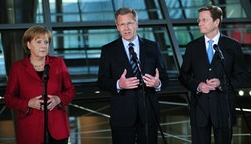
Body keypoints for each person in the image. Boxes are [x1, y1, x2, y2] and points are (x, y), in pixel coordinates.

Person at [179, 5, 250, 144]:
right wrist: (198, 85)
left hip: (224, 111)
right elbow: (183, 76)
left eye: (204, 20)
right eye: (199, 20)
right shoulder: (192, 47)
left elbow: (243, 77)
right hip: (199, 110)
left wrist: (221, 83)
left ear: (216, 22)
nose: (200, 23)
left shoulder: (233, 46)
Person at [98, 7, 168, 144]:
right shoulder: (108, 50)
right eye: (122, 24)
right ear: (117, 27)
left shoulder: (152, 47)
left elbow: (164, 78)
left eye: (129, 23)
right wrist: (119, 84)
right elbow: (101, 81)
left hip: (148, 114)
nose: (126, 28)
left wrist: (157, 83)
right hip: (122, 116)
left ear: (137, 23)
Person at [4, 25, 75, 144]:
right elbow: (9, 98)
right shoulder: (18, 68)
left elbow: (70, 90)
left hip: (58, 130)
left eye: (46, 42)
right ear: (28, 45)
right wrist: (28, 103)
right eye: (38, 42)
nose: (43, 45)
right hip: (30, 131)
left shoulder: (58, 63)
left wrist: (58, 99)